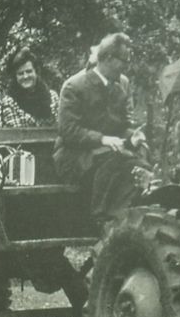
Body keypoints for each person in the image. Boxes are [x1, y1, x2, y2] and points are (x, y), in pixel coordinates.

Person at [54, 32, 146, 223]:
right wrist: (102, 139)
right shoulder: (74, 86)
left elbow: (123, 125)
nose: (127, 66)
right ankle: (101, 218)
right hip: (75, 157)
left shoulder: (122, 83)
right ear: (108, 58)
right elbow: (68, 131)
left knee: (140, 161)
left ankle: (126, 217)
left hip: (110, 153)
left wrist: (133, 137)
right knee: (117, 160)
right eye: (124, 60)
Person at [5, 47, 59, 126]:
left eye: (29, 71)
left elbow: (60, 126)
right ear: (15, 77)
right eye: (20, 73)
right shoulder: (10, 102)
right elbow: (15, 131)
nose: (25, 76)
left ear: (36, 72)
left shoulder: (52, 96)